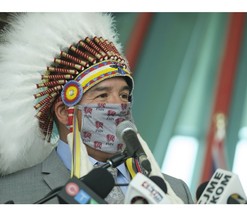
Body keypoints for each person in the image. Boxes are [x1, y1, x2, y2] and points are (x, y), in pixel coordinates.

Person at [0, 12, 193, 204]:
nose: (120, 105)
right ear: (63, 112)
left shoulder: (175, 193)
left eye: (124, 95)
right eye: (103, 95)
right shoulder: (11, 194)